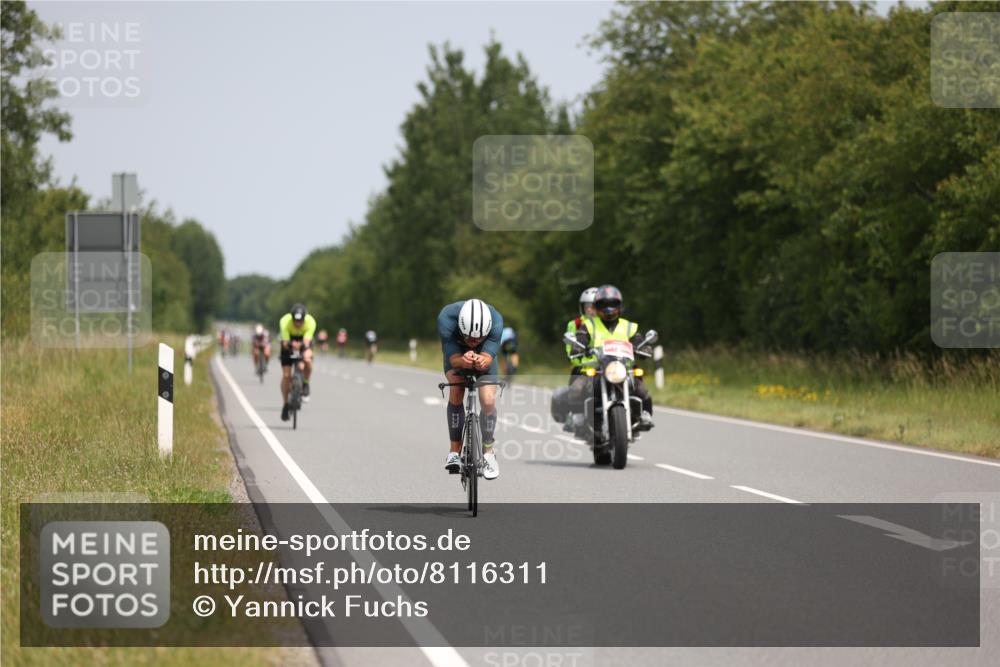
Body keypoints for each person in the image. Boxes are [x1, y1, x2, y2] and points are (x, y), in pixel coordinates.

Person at [570, 285, 654, 430]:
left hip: (623, 369)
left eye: (613, 305)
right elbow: (581, 338)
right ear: (597, 307)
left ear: (619, 306)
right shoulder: (589, 325)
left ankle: (645, 414)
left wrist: (643, 347)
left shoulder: (629, 326)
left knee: (642, 390)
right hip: (596, 369)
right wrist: (578, 347)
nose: (609, 309)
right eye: (604, 305)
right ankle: (578, 416)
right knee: (577, 387)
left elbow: (638, 340)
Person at [438, 298, 503, 480]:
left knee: (488, 399)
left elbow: (488, 359)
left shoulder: (496, 321)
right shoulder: (447, 319)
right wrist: (462, 360)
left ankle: (489, 452)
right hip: (457, 351)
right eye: (470, 338)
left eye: (478, 339)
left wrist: (482, 359)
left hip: (484, 355)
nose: (473, 342)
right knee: (457, 389)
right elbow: (453, 360)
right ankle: (454, 451)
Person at [279, 303, 317, 422]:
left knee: (307, 359)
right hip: (288, 343)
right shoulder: (285, 321)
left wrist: (301, 346)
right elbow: (285, 342)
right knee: (286, 375)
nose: (298, 323)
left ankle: (305, 383)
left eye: (300, 321)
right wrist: (291, 345)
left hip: (303, 342)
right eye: (296, 320)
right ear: (292, 318)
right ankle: (285, 404)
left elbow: (306, 341)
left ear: (304, 318)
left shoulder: (311, 322)